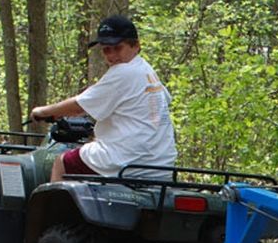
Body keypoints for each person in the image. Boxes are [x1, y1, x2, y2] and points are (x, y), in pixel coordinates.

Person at [31, 15, 177, 182]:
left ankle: (54, 200)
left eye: (118, 48)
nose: (112, 55)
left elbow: (79, 106)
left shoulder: (123, 72)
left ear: (136, 45)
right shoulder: (147, 71)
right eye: (107, 49)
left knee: (62, 162)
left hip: (127, 161)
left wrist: (43, 111)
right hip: (161, 165)